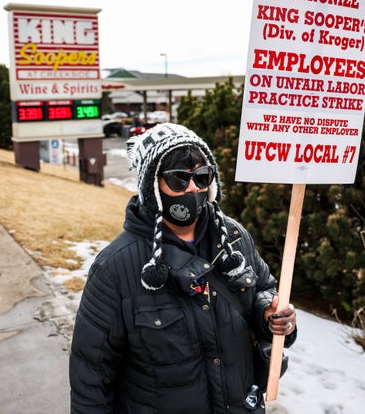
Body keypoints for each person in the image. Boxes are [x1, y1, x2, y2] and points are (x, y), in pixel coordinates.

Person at [69, 123, 297, 413]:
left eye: (202, 177)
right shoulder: (115, 267)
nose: (193, 188)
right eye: (179, 179)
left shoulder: (234, 238)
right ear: (152, 186)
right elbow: (91, 374)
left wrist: (270, 313)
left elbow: (264, 289)